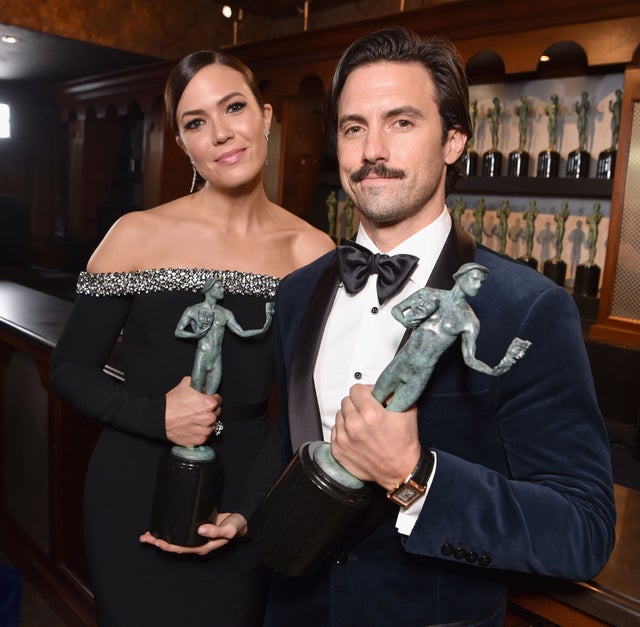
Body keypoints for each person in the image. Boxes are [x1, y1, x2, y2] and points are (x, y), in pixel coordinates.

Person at [156, 27, 616, 626]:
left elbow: (583, 530)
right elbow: (291, 433)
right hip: (291, 609)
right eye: (353, 128)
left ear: (453, 140)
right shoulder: (299, 290)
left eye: (401, 122)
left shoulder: (528, 308)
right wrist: (248, 511)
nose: (373, 149)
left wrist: (413, 476)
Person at [49, 50, 334, 626]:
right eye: (196, 122)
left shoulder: (313, 254)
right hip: (130, 491)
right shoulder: (136, 235)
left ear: (267, 116)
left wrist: (250, 513)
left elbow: (307, 411)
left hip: (243, 500)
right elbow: (69, 370)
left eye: (234, 108)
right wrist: (159, 416)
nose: (221, 133)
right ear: (182, 143)